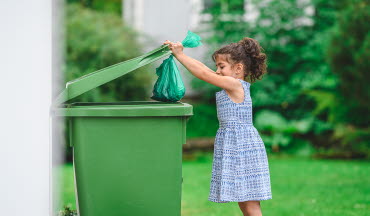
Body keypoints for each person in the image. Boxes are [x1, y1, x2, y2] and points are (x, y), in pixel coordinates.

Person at [164, 37, 272, 216]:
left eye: (221, 66)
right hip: (236, 144)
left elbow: (204, 74)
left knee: (251, 204)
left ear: (238, 68)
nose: (217, 71)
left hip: (242, 146)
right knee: (244, 201)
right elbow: (206, 71)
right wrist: (179, 55)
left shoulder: (235, 84)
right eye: (217, 66)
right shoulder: (231, 86)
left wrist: (180, 55)